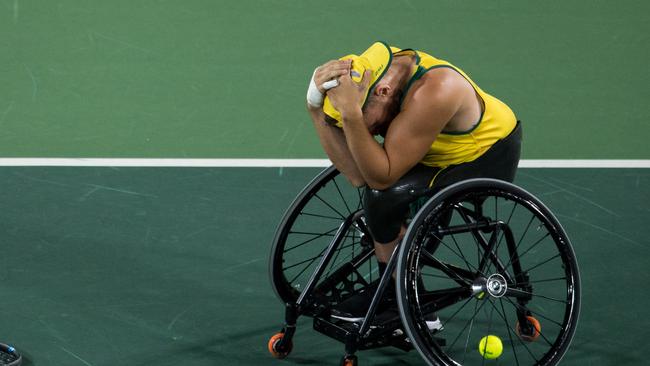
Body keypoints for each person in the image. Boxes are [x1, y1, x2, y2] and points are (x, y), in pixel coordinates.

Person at [305, 42, 521, 324]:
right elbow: (357, 174)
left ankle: (404, 297)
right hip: (432, 148)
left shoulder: (434, 91)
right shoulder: (372, 70)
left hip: (484, 157)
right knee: (381, 192)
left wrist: (352, 116)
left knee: (383, 195)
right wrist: (314, 106)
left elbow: (380, 177)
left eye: (359, 118)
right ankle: (394, 284)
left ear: (382, 92)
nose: (364, 130)